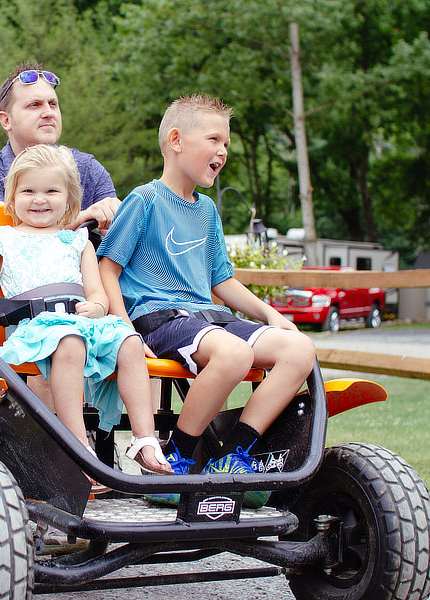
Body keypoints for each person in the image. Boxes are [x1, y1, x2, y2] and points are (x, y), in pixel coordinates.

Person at [0, 144, 172, 481]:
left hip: (80, 322)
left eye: (51, 191)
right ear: (11, 199)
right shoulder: (4, 237)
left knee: (129, 340)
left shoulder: (78, 242)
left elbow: (97, 291)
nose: (39, 199)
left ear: (70, 200)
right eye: (28, 190)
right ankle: (76, 444)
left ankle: (144, 439)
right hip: (37, 326)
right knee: (69, 341)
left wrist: (98, 306)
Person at [97, 94, 316, 508]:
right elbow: (107, 267)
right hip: (160, 316)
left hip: (209, 317)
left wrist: (270, 314)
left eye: (227, 145)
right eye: (214, 139)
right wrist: (122, 324)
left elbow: (222, 281)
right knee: (233, 354)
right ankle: (176, 458)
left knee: (299, 349)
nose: (223, 151)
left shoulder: (208, 210)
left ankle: (234, 456)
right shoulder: (144, 200)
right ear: (176, 140)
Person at [0, 60, 121, 230]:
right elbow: (0, 235)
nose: (48, 113)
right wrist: (84, 217)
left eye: (53, 104)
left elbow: (117, 244)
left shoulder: (88, 168)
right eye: (35, 105)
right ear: (6, 120)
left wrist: (114, 218)